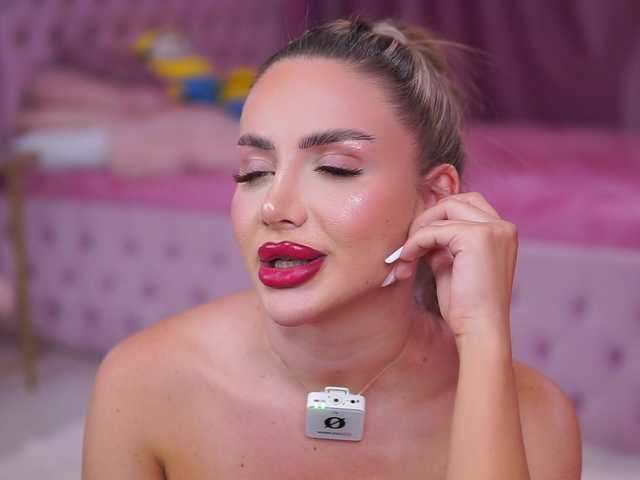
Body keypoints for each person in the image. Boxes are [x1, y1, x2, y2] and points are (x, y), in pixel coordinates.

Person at [82, 18, 582, 479]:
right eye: (255, 172)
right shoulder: (142, 382)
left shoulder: (535, 418)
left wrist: (483, 336)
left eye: (335, 168)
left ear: (433, 197)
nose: (274, 206)